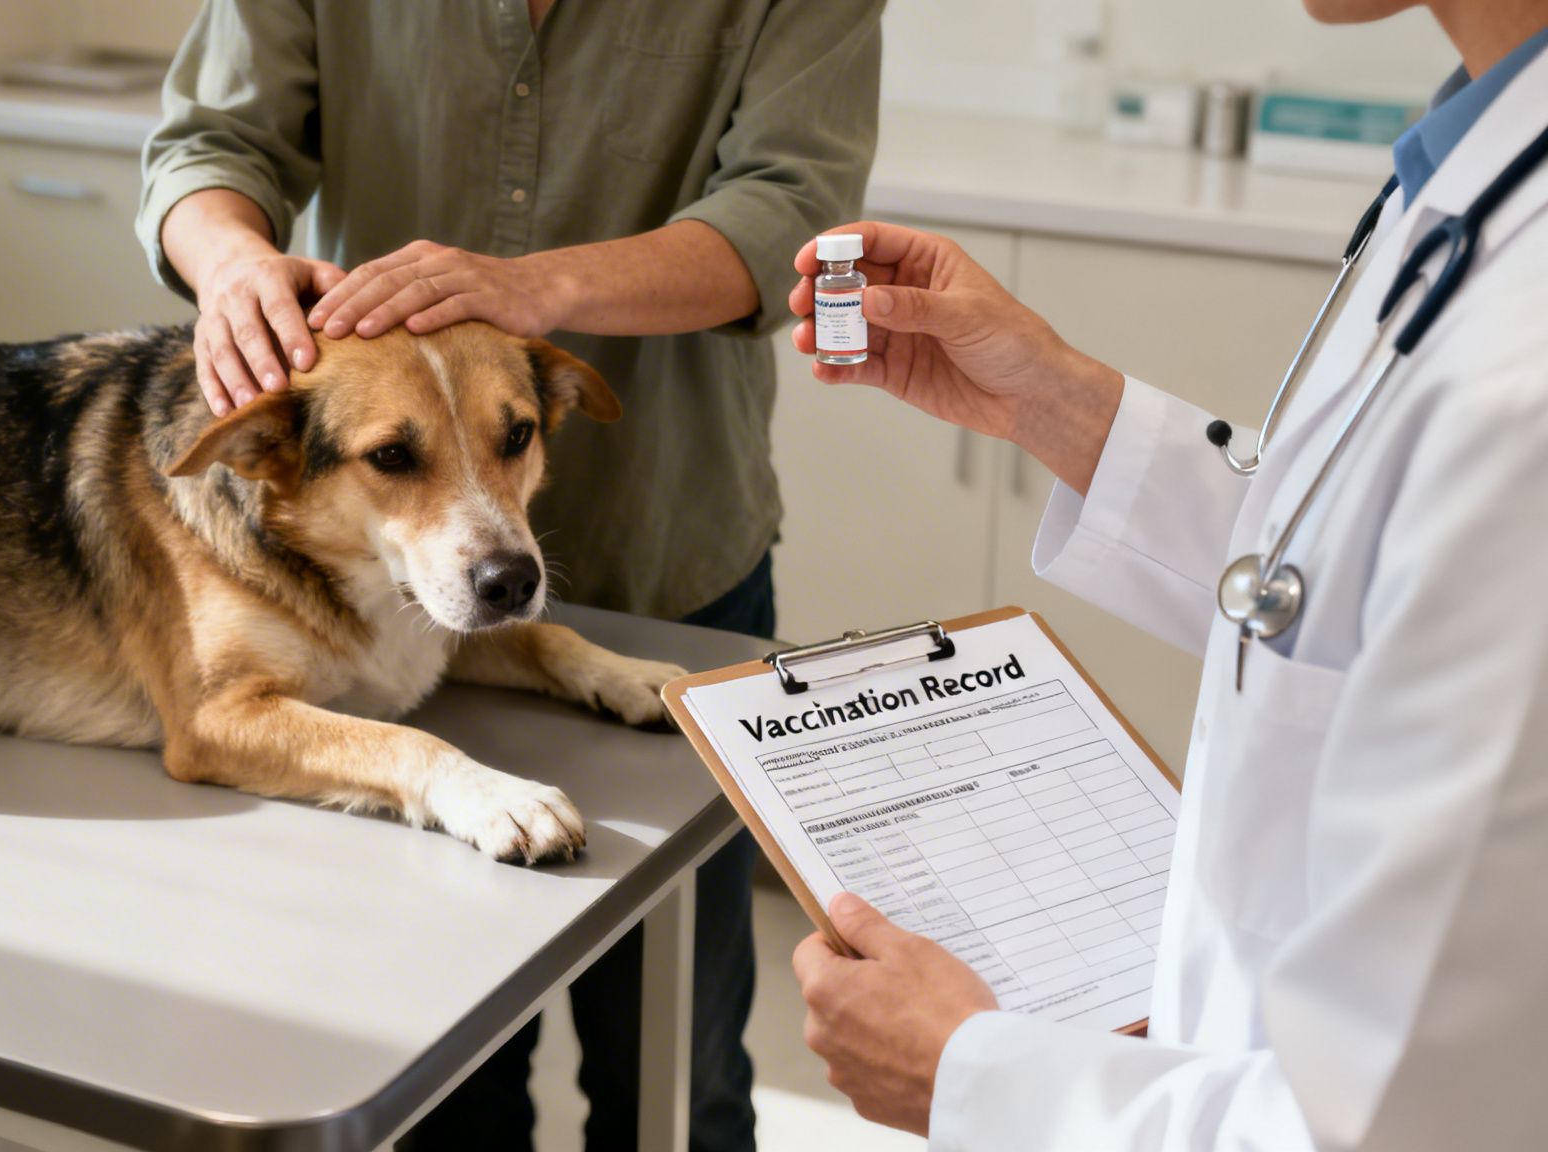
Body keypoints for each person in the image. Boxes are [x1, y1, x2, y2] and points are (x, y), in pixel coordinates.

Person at [782, 0, 1548, 1146]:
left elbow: (1388, 1124)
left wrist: (973, 1075)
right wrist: (1048, 398)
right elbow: (1338, 588)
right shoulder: (1467, 164)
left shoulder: (1524, 362)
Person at [136, 3, 883, 1147]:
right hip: (372, 601)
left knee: (679, 1072)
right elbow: (208, 145)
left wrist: (544, 289)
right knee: (442, 1073)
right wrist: (231, 261)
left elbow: (790, 208)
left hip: (666, 553)